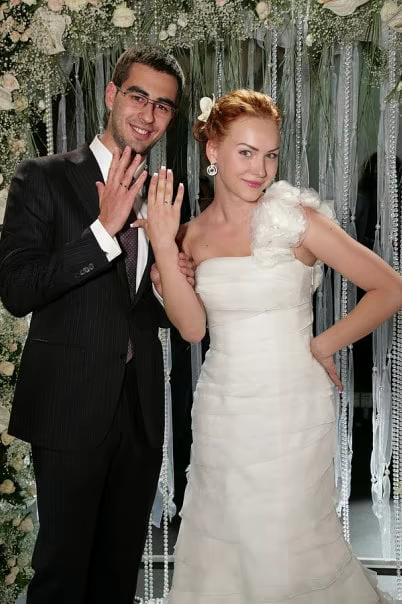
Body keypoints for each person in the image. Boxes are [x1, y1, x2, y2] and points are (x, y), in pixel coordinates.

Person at [136, 89, 402, 603]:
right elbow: (192, 329)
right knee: (225, 545)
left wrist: (323, 345)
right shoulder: (187, 235)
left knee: (287, 545)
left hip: (292, 409)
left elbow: (390, 288)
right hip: (223, 409)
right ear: (213, 150)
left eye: (271, 154)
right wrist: (164, 249)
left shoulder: (294, 219)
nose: (260, 169)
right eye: (246, 152)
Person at [0, 45, 193, 604]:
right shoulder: (44, 178)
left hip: (139, 411)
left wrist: (165, 283)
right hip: (69, 407)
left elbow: (134, 306)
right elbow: (18, 291)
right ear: (111, 95)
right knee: (62, 576)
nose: (148, 114)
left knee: (116, 576)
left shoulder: (164, 195)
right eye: (138, 96)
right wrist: (103, 232)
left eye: (163, 105)